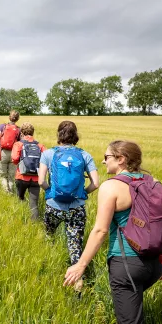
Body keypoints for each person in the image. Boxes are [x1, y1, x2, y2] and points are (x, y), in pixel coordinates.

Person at [63, 141, 162, 324]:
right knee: (132, 314)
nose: (103, 160)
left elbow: (100, 230)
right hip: (156, 263)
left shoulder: (111, 187)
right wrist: (161, 256)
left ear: (121, 159)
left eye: (107, 156)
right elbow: (161, 223)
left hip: (127, 264)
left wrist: (80, 265)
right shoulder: (153, 182)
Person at [38, 121, 99, 287]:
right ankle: (78, 284)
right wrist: (82, 193)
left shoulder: (48, 154)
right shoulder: (84, 155)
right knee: (75, 247)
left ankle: (44, 268)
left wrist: (50, 192)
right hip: (76, 208)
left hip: (53, 206)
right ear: (75, 135)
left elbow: (41, 181)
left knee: (47, 236)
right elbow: (96, 183)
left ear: (59, 135)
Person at [11, 122, 46, 220]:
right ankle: (34, 225)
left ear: (22, 132)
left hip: (21, 176)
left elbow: (14, 159)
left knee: (19, 198)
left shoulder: (18, 144)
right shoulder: (40, 145)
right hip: (36, 178)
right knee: (34, 204)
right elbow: (46, 160)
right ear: (33, 132)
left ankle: (20, 220)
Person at [0, 110, 21, 193]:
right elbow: (20, 143)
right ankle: (11, 192)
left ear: (9, 117)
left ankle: (6, 192)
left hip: (2, 153)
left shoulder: (2, 126)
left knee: (3, 175)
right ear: (17, 119)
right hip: (13, 154)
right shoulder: (18, 129)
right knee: (11, 176)